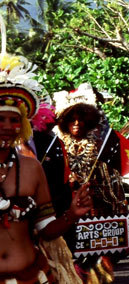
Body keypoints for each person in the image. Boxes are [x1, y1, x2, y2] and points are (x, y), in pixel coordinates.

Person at [0, 53, 92, 283]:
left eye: (14, 120)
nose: (7, 127)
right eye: (0, 119)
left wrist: (71, 214)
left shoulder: (31, 168)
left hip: (32, 275)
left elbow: (47, 230)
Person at [53, 83, 128, 283]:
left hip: (95, 220)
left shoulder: (100, 149)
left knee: (96, 269)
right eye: (72, 119)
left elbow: (113, 188)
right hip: (64, 217)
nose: (77, 123)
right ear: (65, 122)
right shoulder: (55, 147)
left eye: (81, 119)